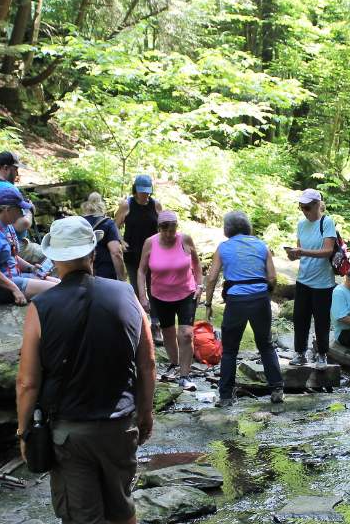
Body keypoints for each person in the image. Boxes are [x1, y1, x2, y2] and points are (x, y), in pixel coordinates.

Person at [16, 216, 155, 524]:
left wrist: (24, 433)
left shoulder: (42, 308)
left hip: (69, 432)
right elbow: (147, 362)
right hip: (120, 423)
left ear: (55, 259)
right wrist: (146, 414)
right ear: (92, 254)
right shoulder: (126, 295)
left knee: (85, 522)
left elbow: (27, 381)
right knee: (121, 503)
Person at [204, 211, 284, 408]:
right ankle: (277, 389)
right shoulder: (261, 245)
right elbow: (272, 278)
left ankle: (225, 396)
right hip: (259, 299)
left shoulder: (223, 248)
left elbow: (212, 277)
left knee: (230, 349)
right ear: (248, 226)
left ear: (227, 228)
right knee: (266, 345)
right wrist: (265, 293)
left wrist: (207, 304)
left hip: (236, 301)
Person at [137, 210, 203, 391]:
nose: (168, 234)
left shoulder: (185, 240)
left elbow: (197, 264)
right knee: (167, 333)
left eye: (172, 230)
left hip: (186, 292)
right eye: (164, 230)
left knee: (186, 334)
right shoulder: (150, 243)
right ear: (159, 228)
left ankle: (185, 375)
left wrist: (200, 286)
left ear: (176, 228)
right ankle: (174, 363)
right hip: (160, 295)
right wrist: (143, 296)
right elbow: (142, 271)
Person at [0, 187, 59, 304]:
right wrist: (15, 289)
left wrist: (31, 268)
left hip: (13, 278)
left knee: (59, 283)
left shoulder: (8, 226)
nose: (22, 213)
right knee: (59, 290)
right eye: (20, 209)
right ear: (8, 209)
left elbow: (11, 256)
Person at [286, 188, 336, 369]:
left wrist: (302, 252)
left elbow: (328, 251)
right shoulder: (301, 225)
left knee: (322, 320)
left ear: (317, 205)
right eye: (301, 207)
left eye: (307, 207)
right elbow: (300, 251)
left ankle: (322, 355)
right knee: (300, 318)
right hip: (303, 279)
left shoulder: (327, 222)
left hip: (323, 282)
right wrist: (294, 255)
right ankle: (300, 353)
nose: (304, 211)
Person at [115, 174, 163, 342]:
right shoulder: (126, 205)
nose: (145, 195)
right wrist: (120, 241)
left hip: (152, 253)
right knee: (136, 289)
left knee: (154, 288)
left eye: (147, 192)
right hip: (133, 254)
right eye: (142, 192)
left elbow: (163, 227)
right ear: (135, 189)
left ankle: (156, 325)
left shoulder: (155, 205)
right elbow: (114, 227)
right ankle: (138, 324)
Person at [0, 151, 44, 265]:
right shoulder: (7, 188)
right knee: (52, 258)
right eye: (15, 169)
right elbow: (21, 224)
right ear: (6, 168)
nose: (17, 173)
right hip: (10, 245)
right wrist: (29, 210)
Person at [81, 192, 126, 281]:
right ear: (102, 205)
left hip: (83, 275)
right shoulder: (108, 223)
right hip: (105, 275)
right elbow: (116, 252)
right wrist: (122, 278)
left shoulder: (79, 223)